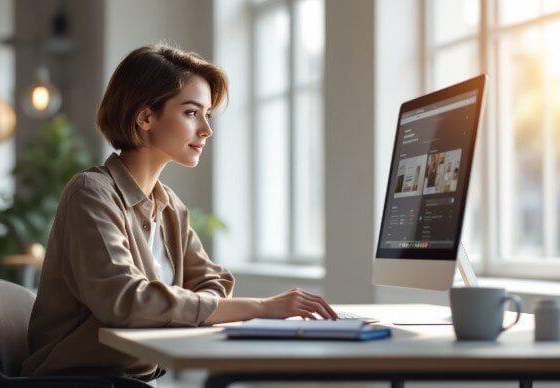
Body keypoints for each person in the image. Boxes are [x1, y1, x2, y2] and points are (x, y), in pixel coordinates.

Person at [21, 44, 337, 383]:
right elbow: (126, 302)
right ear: (145, 117)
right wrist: (260, 307)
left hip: (137, 379)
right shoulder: (91, 193)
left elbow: (214, 282)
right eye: (191, 112)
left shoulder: (169, 204)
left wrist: (169, 308)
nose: (206, 130)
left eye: (207, 115)